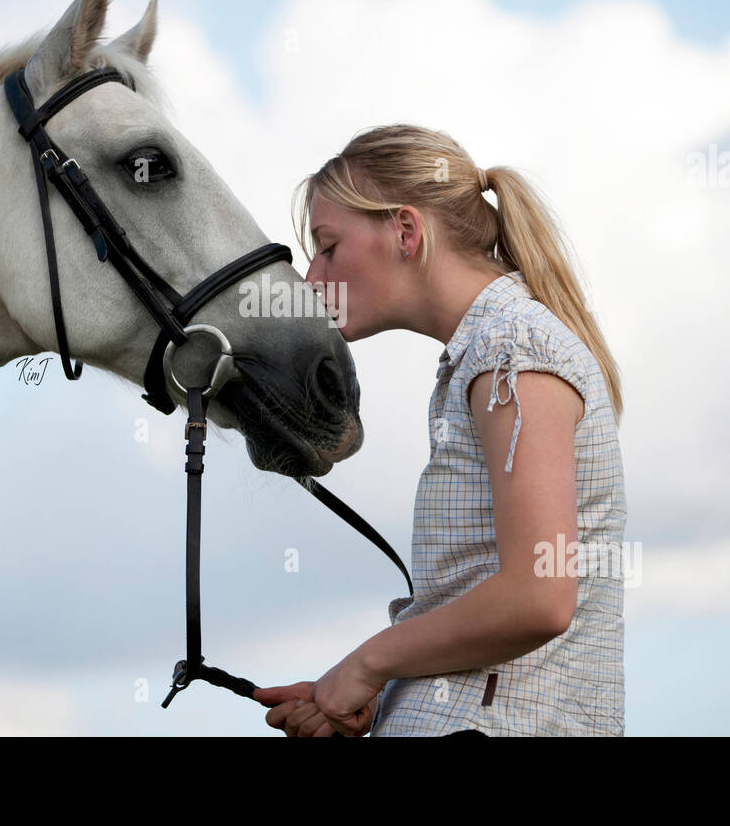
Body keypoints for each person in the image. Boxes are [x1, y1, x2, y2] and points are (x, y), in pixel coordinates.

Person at [253, 124, 627, 737]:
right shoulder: (489, 353)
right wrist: (369, 693)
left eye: (327, 247)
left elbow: (537, 598)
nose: (313, 280)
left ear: (405, 231)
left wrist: (367, 665)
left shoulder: (512, 349)